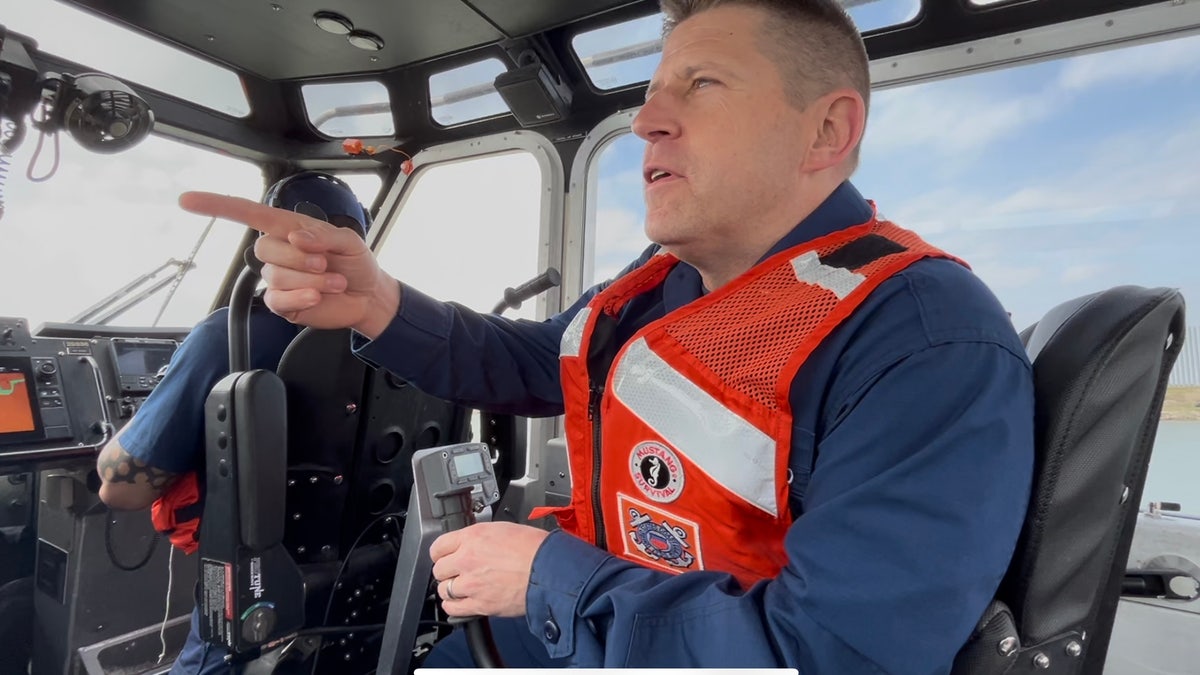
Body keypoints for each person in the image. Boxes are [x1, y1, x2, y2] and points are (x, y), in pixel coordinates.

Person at [178, 0, 1035, 671]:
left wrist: (545, 575)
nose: (645, 122)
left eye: (700, 85)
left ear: (826, 131)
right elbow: (527, 358)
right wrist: (373, 301)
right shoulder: (658, 290)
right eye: (652, 92)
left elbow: (830, 657)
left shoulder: (924, 338)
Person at [96, 171, 371, 674]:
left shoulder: (228, 337)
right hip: (361, 595)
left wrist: (120, 438)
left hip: (253, 598)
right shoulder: (389, 342)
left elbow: (122, 491)